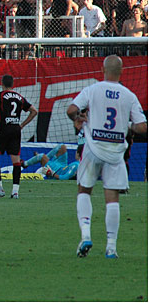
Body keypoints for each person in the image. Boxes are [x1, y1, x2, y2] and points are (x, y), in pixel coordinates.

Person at [67, 55, 147, 258]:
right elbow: (142, 127)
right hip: (115, 153)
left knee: (84, 190)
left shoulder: (92, 90)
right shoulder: (129, 95)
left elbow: (71, 110)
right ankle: (111, 247)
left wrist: (79, 118)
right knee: (112, 199)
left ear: (103, 69)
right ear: (121, 72)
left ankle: (85, 235)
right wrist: (127, 125)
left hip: (93, 149)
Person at [0, 75, 38, 199]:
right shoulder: (19, 97)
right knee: (16, 161)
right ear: (13, 84)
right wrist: (22, 125)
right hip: (16, 129)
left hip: (3, 129)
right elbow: (34, 111)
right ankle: (15, 192)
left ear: (2, 84)